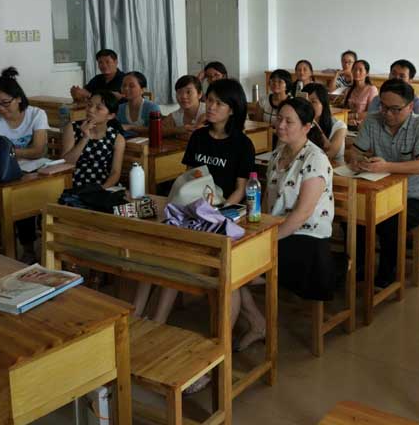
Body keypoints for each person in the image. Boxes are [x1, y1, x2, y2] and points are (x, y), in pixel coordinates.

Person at [135, 79, 255, 325]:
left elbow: (240, 190)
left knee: (176, 256)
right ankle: (137, 314)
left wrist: (216, 212)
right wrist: (187, 208)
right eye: (209, 100)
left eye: (218, 103)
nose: (210, 107)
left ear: (232, 109)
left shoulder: (242, 144)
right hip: (190, 209)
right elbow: (188, 178)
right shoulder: (199, 137)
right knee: (155, 249)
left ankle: (156, 320)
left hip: (219, 214)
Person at [234, 97, 337, 351]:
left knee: (235, 269)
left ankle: (247, 328)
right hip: (278, 232)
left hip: (307, 242)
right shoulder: (278, 153)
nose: (280, 125)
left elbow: (302, 214)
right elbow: (268, 201)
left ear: (307, 127)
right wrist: (254, 229)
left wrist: (266, 239)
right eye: (279, 119)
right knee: (230, 262)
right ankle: (257, 322)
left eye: (289, 121)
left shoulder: (315, 159)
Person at [350, 79, 419, 288]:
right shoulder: (372, 121)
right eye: (383, 107)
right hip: (381, 192)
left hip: (416, 197)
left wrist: (386, 166)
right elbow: (355, 152)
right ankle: (360, 266)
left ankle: (387, 276)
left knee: (390, 223)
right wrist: (359, 161)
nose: (388, 114)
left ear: (410, 106)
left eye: (395, 109)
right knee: (355, 215)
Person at [0, 67, 49, 263]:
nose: (0, 109)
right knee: (4, 199)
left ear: (19, 98)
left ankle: (28, 248)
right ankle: (5, 245)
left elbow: (38, 150)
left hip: (34, 169)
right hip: (4, 172)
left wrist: (5, 152)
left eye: (5, 103)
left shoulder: (36, 114)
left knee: (22, 199)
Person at [61, 91, 126, 189]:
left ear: (110, 116)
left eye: (98, 108)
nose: (91, 110)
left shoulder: (117, 138)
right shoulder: (72, 128)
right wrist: (85, 138)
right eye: (89, 105)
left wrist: (101, 190)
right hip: (74, 184)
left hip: (103, 186)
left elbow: (115, 173)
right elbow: (66, 164)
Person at [305, 83, 347, 162]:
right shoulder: (299, 123)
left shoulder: (339, 126)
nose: (308, 105)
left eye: (313, 101)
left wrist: (313, 123)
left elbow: (329, 155)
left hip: (332, 167)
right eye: (305, 101)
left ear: (323, 104)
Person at [344, 59, 378, 127]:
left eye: (360, 70)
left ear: (367, 73)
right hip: (348, 122)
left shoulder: (372, 89)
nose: (357, 72)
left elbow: (373, 112)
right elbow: (345, 108)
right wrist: (347, 119)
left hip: (363, 125)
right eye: (354, 69)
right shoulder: (349, 89)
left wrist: (353, 116)